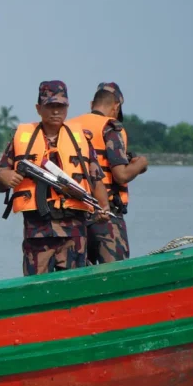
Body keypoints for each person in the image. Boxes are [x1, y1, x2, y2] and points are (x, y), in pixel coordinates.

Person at [0, 80, 111, 276]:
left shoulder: (81, 138)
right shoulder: (22, 138)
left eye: (61, 106)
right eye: (50, 106)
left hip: (74, 232)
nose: (56, 111)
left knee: (74, 285)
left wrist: (103, 207)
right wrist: (5, 177)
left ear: (67, 108)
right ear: (38, 108)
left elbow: (96, 179)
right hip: (37, 232)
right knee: (35, 286)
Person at [68, 82, 148, 264]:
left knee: (80, 273)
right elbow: (121, 175)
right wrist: (141, 164)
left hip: (74, 217)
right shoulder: (110, 127)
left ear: (92, 104)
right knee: (115, 274)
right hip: (106, 216)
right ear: (116, 106)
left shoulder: (69, 127)